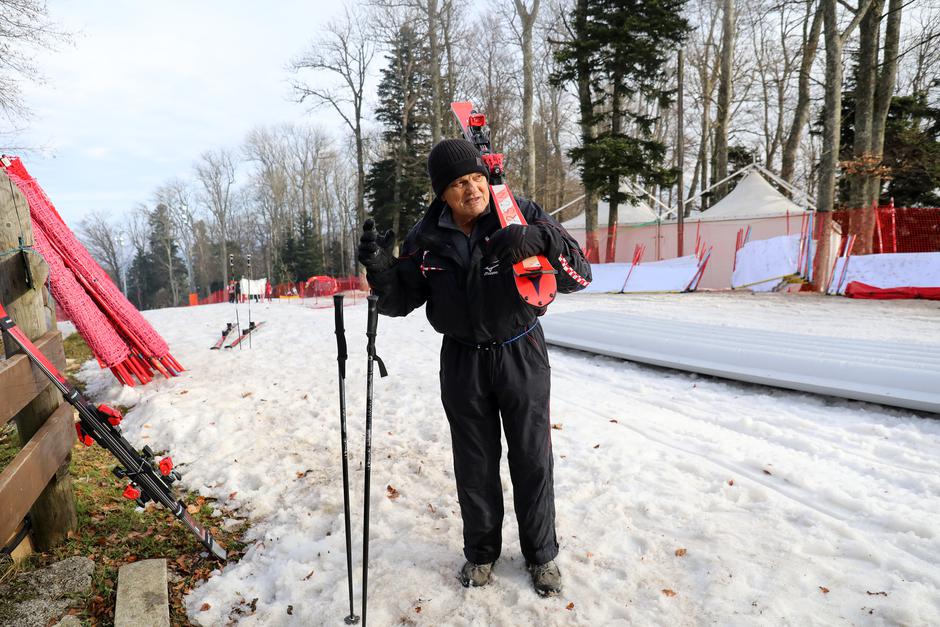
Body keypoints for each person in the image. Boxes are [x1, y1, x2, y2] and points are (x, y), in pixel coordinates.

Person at [357, 138, 591, 597]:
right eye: (459, 183)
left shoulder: (517, 212)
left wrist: (539, 237)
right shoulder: (426, 238)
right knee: (474, 463)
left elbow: (580, 274)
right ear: (442, 193)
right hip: (462, 358)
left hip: (519, 351)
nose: (472, 189)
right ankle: (481, 553)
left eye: (477, 179)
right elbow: (401, 301)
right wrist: (382, 269)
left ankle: (541, 556)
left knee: (532, 459)